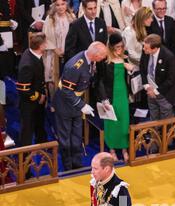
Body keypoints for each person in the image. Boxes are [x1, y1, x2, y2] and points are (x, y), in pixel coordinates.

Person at [52, 41, 107, 170]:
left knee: (77, 135)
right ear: (95, 54)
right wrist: (81, 105)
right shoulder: (75, 66)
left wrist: (104, 99)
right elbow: (66, 91)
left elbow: (95, 81)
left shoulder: (91, 61)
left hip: (76, 103)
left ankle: (77, 164)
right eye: (103, 55)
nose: (104, 58)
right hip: (65, 104)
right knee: (65, 137)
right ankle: (68, 167)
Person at [98, 33, 133, 162]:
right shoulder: (104, 59)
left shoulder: (125, 57)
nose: (120, 49)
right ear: (111, 47)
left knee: (124, 120)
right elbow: (99, 81)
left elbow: (132, 74)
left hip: (123, 93)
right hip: (110, 95)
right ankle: (112, 149)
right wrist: (104, 98)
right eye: (117, 47)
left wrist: (128, 67)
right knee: (112, 121)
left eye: (121, 46)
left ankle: (124, 148)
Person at [140, 34, 175, 120]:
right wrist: (147, 86)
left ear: (155, 48)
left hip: (165, 94)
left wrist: (155, 91)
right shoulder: (145, 51)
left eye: (146, 48)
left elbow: (170, 80)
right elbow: (142, 68)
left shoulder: (169, 57)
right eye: (144, 46)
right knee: (153, 118)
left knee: (166, 122)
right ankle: (154, 133)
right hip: (150, 91)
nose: (144, 49)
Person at [16, 32, 47, 147]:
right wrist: (39, 97)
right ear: (41, 46)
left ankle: (42, 146)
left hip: (37, 100)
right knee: (27, 131)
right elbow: (23, 89)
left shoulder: (32, 53)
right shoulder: (27, 64)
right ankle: (25, 158)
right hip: (29, 103)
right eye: (45, 43)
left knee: (39, 124)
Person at [42, 0, 76, 103]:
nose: (61, 7)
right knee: (53, 79)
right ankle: (54, 102)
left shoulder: (72, 17)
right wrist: (55, 49)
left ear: (66, 5)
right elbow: (45, 37)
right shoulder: (50, 18)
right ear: (54, 6)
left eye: (63, 4)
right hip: (53, 53)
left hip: (69, 54)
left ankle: (67, 101)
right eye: (58, 5)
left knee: (68, 78)